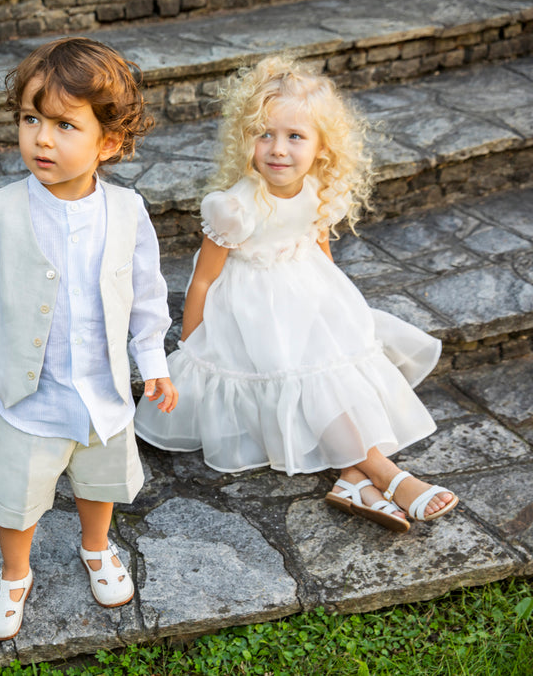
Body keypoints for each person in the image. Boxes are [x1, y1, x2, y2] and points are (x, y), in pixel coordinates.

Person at [134, 55, 458, 534]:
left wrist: (334, 307)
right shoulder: (234, 207)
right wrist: (192, 342)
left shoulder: (318, 191)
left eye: (294, 136)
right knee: (301, 375)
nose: (277, 149)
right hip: (252, 311)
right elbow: (202, 278)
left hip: (306, 293)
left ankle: (353, 479)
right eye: (263, 134)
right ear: (245, 139)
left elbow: (321, 249)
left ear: (322, 146)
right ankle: (386, 474)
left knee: (334, 368)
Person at [0, 37, 177, 641]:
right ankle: (15, 573)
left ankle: (96, 547)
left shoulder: (127, 211)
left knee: (100, 484)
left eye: (64, 125)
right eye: (30, 119)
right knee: (16, 497)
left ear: (109, 142)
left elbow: (147, 293)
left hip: (100, 391)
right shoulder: (0, 209)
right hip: (27, 395)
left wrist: (153, 361)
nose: (42, 139)